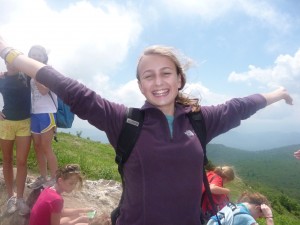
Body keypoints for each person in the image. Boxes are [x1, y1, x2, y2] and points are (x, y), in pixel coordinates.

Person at [0, 38, 293, 225]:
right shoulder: (125, 122)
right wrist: (10, 53)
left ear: (180, 79)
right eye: (148, 75)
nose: (158, 81)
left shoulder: (200, 120)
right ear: (140, 85)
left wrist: (277, 93)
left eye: (166, 72)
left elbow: (241, 106)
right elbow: (69, 88)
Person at [0, 61, 31, 215]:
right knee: (7, 160)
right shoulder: (1, 77)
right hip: (5, 123)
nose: (11, 65)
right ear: (5, 62)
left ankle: (20, 198)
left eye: (14, 62)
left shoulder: (26, 75)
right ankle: (10, 197)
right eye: (8, 62)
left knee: (22, 161)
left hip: (25, 122)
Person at [27, 45, 58, 189]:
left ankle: (54, 179)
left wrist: (36, 73)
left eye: (39, 55)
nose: (36, 57)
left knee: (46, 146)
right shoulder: (31, 72)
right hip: (35, 113)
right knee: (38, 147)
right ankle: (43, 176)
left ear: (44, 57)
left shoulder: (47, 72)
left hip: (47, 113)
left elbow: (44, 91)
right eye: (33, 55)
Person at [29, 164, 93, 225]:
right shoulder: (57, 200)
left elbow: (61, 212)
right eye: (71, 183)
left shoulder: (48, 189)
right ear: (60, 181)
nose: (73, 186)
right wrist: (79, 220)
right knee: (82, 223)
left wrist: (83, 210)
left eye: (75, 184)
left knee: (72, 216)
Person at [207, 192, 274, 225]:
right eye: (259, 216)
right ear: (257, 208)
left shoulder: (234, 206)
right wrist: (269, 217)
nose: (256, 219)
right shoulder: (245, 218)